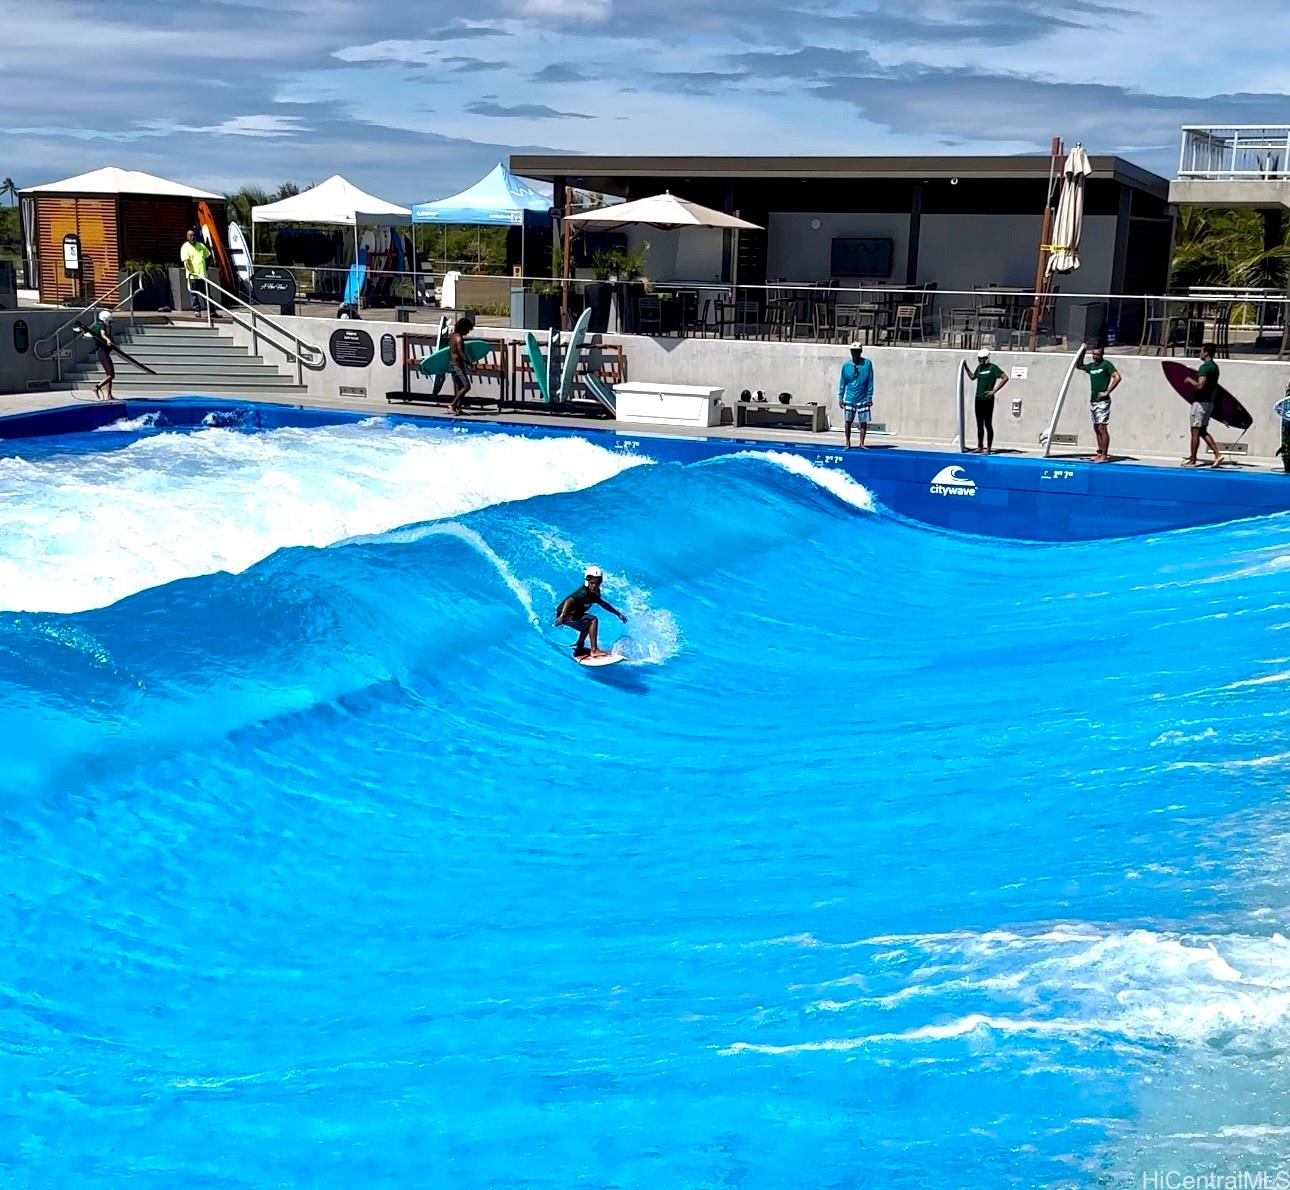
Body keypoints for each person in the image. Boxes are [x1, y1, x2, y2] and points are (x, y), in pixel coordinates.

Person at [555, 565, 627, 659]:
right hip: (566, 615)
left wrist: (618, 614)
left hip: (574, 614)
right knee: (593, 620)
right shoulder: (583, 592)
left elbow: (603, 604)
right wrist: (562, 616)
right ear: (587, 581)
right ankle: (594, 650)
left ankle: (579, 647)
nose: (594, 586)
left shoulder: (594, 592)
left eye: (597, 584)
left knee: (587, 624)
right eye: (592, 583)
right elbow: (569, 600)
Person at [1181, 343, 1227, 468]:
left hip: (1201, 403)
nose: (1200, 353)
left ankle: (1192, 459)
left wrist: (1189, 380)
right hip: (1209, 403)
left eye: (1201, 351)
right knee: (1202, 431)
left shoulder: (1205, 368)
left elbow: (1200, 385)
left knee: (1194, 431)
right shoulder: (1215, 367)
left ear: (1206, 353)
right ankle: (1217, 455)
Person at [1074, 341, 1121, 462]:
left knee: (1102, 427)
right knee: (1096, 427)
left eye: (1098, 354)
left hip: (1103, 401)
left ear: (1102, 354)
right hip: (1093, 401)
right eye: (1094, 354)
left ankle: (1104, 455)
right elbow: (1079, 365)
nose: (1095, 356)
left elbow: (1117, 377)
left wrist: (1107, 391)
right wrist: (1083, 351)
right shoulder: (1092, 366)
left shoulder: (1106, 365)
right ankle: (1099, 452)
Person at [962, 347, 1008, 453]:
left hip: (988, 400)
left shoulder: (993, 368)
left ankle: (989, 447)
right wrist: (966, 368)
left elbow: (1005, 377)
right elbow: (973, 377)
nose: (981, 360)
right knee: (979, 424)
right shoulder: (979, 368)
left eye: (982, 358)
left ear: (987, 358)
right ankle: (980, 446)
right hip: (978, 399)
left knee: (988, 423)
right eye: (979, 358)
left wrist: (994, 391)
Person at [837, 339, 875, 449]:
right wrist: (840, 396)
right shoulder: (846, 366)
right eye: (853, 351)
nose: (855, 353)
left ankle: (861, 443)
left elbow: (870, 380)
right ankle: (847, 442)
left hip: (863, 397)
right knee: (848, 421)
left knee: (863, 421)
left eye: (857, 351)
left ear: (861, 351)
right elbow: (842, 382)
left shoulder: (867, 364)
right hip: (850, 397)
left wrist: (869, 396)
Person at [180, 228, 213, 318]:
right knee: (194, 294)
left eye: (194, 235)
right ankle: (196, 310)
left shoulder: (201, 245)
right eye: (191, 235)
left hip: (203, 275)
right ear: (187, 237)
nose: (193, 237)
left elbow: (208, 256)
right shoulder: (185, 247)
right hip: (193, 276)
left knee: (207, 294)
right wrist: (191, 272)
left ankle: (211, 311)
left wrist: (206, 267)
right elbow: (186, 262)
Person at [85, 310, 116, 400]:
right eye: (109, 320)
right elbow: (102, 334)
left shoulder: (99, 325)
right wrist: (108, 340)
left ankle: (109, 395)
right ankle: (97, 387)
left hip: (104, 352)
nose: (110, 323)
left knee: (109, 374)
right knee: (111, 375)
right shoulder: (100, 325)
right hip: (103, 352)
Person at [448, 317, 475, 416]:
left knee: (459, 387)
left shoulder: (452, 336)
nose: (467, 332)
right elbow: (461, 353)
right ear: (463, 328)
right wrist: (470, 364)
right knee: (466, 386)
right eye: (467, 330)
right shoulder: (459, 338)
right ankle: (452, 405)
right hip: (457, 365)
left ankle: (458, 408)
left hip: (452, 364)